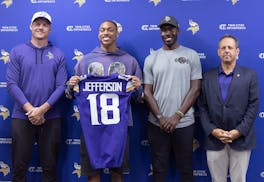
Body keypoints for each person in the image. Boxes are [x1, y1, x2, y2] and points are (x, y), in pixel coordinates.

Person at [65, 20, 142, 182]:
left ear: (117, 33)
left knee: (117, 172)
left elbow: (138, 98)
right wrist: (71, 86)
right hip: (91, 124)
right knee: (93, 172)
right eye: (102, 30)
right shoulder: (85, 61)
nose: (105, 33)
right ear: (98, 33)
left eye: (110, 30)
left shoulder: (130, 61)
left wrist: (138, 87)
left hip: (120, 125)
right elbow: (71, 94)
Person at [6, 11, 67, 182]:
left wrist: (42, 110)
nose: (41, 27)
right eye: (37, 23)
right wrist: (32, 110)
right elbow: (11, 84)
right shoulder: (17, 51)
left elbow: (62, 86)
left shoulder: (58, 54)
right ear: (31, 26)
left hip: (51, 117)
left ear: (50, 28)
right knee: (19, 168)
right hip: (22, 116)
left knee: (50, 168)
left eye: (45, 24)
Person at [143, 15, 202, 182]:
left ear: (178, 31)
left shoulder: (191, 55)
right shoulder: (151, 58)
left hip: (184, 123)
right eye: (163, 29)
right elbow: (147, 92)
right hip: (157, 124)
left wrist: (177, 116)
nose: (167, 33)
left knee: (186, 170)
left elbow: (196, 89)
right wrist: (161, 118)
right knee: (159, 170)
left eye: (171, 29)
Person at [198, 34, 259, 182]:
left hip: (241, 139)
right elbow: (202, 107)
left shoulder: (250, 75)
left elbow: (253, 105)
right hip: (214, 140)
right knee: (217, 180)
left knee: (239, 179)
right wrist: (213, 130)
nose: (226, 51)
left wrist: (238, 131)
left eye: (230, 47)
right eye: (223, 48)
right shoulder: (207, 77)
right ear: (218, 52)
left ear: (237, 51)